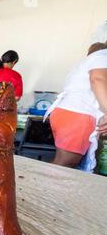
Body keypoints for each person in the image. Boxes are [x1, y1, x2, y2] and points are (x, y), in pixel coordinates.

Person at [45, 41, 107, 171]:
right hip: (78, 114)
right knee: (64, 165)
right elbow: (98, 80)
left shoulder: (95, 58)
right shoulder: (103, 56)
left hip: (69, 112)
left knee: (65, 164)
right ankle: (37, 190)